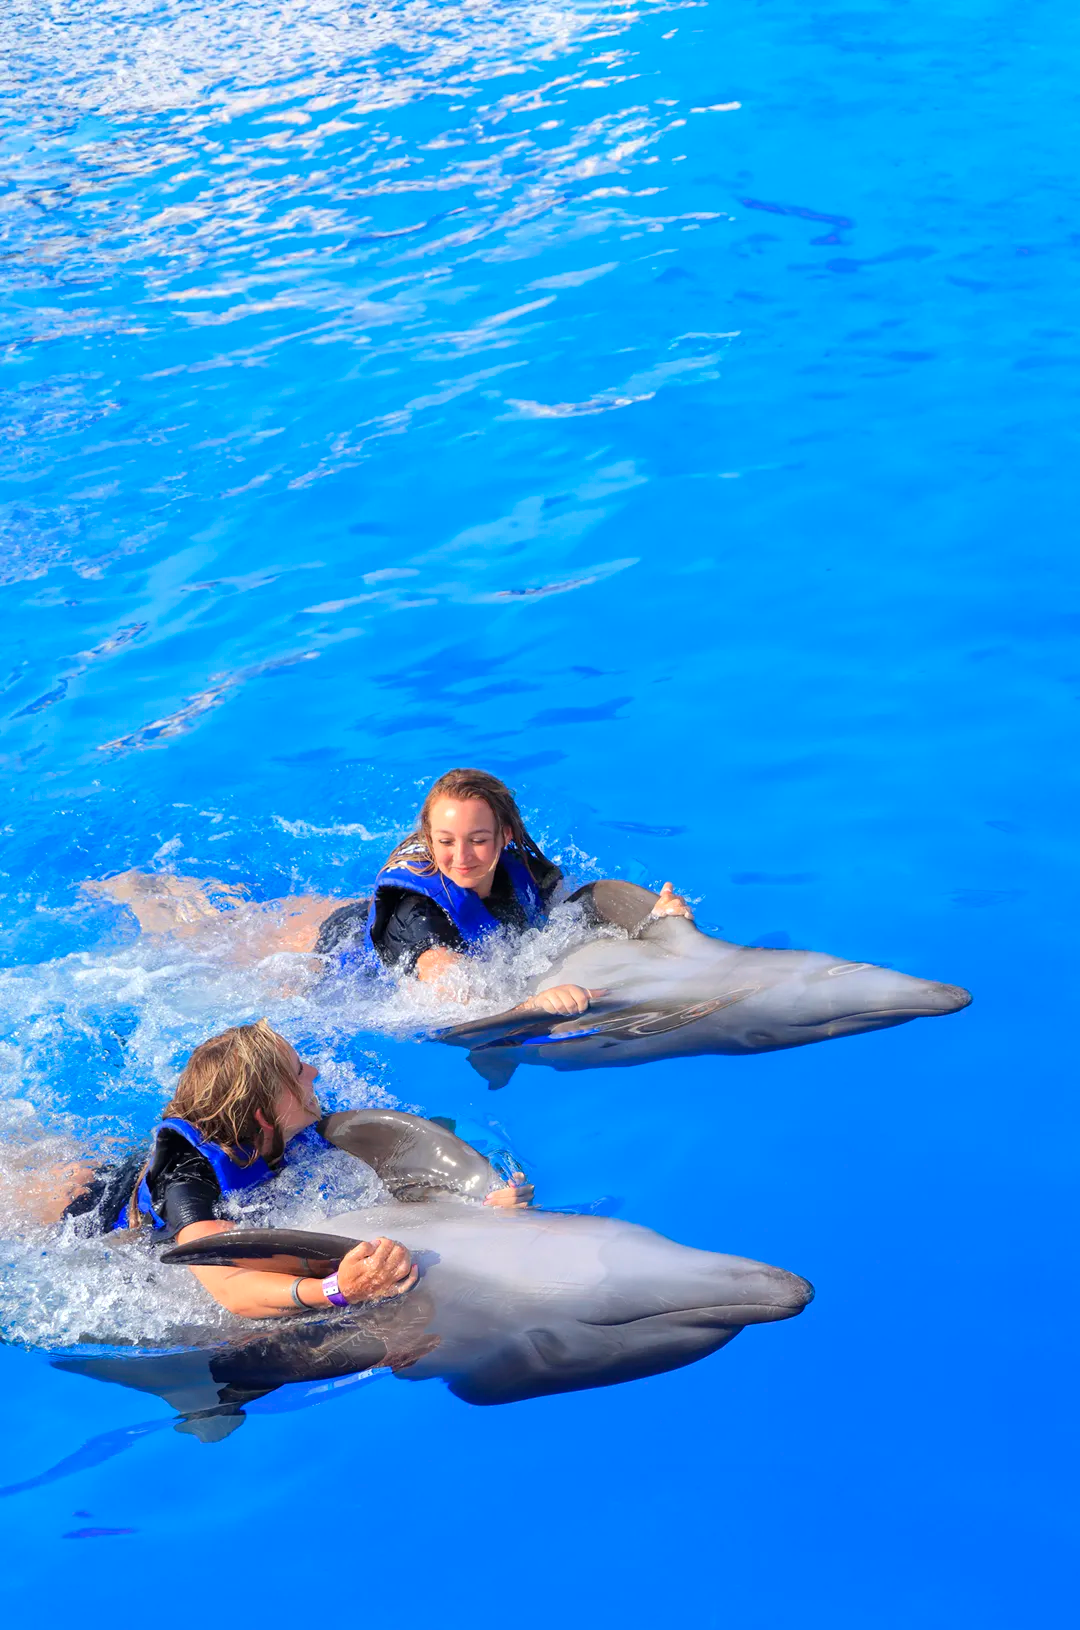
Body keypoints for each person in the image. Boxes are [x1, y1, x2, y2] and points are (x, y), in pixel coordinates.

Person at [84, 767, 693, 1013]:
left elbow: (582, 909)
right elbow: (451, 993)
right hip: (326, 952)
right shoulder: (416, 911)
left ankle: (162, 890)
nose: (462, 858)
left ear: (504, 834)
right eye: (446, 843)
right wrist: (532, 1005)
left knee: (231, 913)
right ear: (426, 838)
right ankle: (135, 894)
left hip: (344, 917)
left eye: (479, 841)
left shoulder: (520, 868)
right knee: (201, 941)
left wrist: (656, 917)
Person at [57, 1019, 530, 1320]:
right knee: (60, 1190)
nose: (316, 1074)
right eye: (299, 1071)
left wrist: (482, 1203)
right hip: (100, 1216)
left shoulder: (290, 1125)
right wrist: (337, 1291)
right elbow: (228, 1289)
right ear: (266, 1113)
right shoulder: (188, 1180)